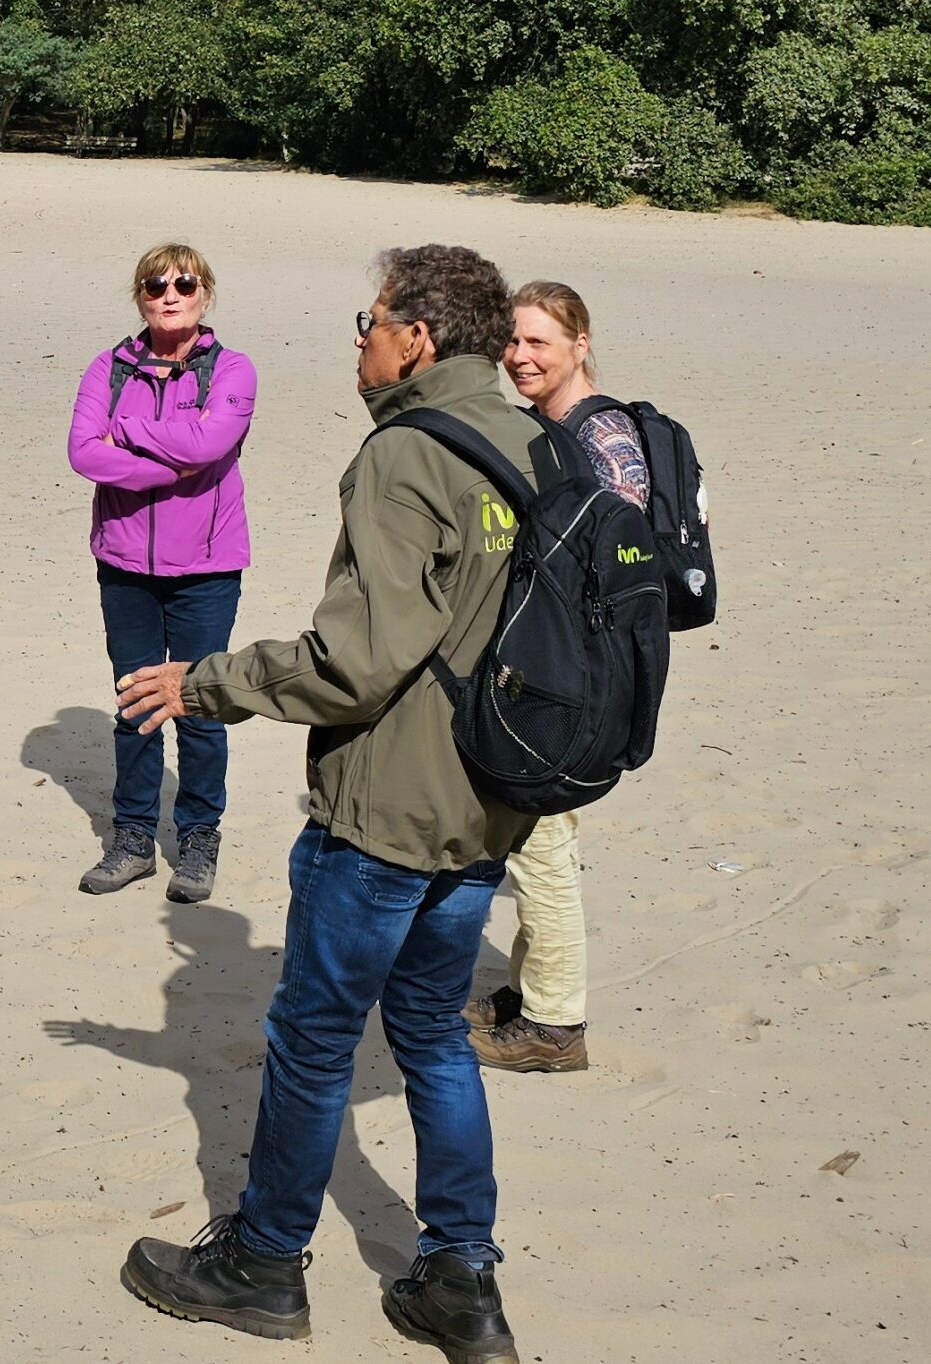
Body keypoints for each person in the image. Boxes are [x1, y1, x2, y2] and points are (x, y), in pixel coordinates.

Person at [113, 246, 542, 1364]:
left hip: (389, 810)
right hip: (492, 805)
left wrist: (202, 680)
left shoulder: (406, 452)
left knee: (310, 1040)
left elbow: (355, 660)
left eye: (371, 319)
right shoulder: (534, 440)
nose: (358, 338)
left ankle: (261, 1264)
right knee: (434, 1041)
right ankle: (463, 1273)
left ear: (419, 336)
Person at [462, 280, 650, 1076]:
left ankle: (555, 1025)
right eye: (511, 341)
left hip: (577, 675)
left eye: (538, 341)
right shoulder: (553, 427)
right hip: (566, 666)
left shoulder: (601, 438)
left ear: (581, 342)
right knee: (533, 836)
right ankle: (529, 989)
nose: (519, 357)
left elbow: (607, 558)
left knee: (543, 842)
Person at [65, 242, 257, 903]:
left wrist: (134, 434)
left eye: (183, 284)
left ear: (205, 294)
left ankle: (199, 838)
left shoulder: (233, 370)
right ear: (139, 295)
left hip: (207, 566)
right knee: (136, 705)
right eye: (154, 285)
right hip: (124, 562)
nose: (168, 294)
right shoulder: (108, 368)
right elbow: (83, 452)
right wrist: (173, 463)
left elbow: (210, 446)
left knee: (200, 704)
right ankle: (133, 841)